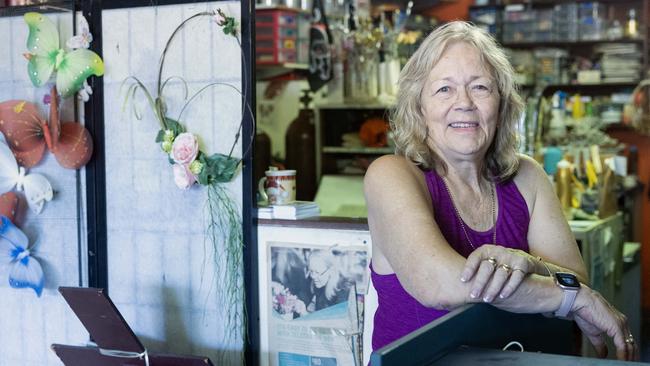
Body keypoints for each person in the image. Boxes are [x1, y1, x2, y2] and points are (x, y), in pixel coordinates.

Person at [364, 21, 637, 361]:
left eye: (480, 87)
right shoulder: (391, 175)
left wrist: (529, 265)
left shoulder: (527, 177)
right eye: (444, 89)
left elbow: (576, 277)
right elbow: (441, 285)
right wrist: (568, 297)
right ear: (419, 106)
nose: (464, 103)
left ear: (502, 103)